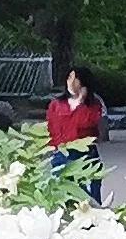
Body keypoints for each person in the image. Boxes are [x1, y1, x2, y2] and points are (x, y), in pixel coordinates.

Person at [44, 67, 108, 203]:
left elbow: (90, 126)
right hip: (61, 154)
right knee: (64, 193)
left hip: (85, 154)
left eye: (75, 79)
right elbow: (52, 128)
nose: (71, 83)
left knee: (90, 197)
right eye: (69, 78)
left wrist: (81, 102)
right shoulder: (56, 104)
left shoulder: (94, 105)